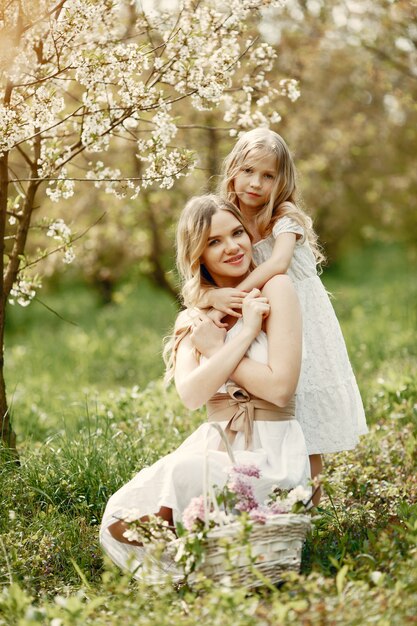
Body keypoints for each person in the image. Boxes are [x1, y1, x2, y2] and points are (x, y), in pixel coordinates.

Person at [99, 194, 310, 581]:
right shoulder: (193, 319)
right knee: (118, 512)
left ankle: (205, 552)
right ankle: (201, 556)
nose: (232, 247)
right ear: (199, 256)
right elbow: (192, 394)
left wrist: (225, 345)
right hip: (218, 446)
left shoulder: (276, 289)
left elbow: (280, 390)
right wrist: (241, 334)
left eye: (236, 234)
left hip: (273, 450)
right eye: (214, 242)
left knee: (185, 473)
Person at [202, 128, 367, 485]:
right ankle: (270, 504)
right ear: (232, 170)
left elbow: (276, 265)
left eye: (267, 175)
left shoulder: (284, 217)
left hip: (303, 323)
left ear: (281, 180)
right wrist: (213, 298)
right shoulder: (229, 218)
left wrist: (234, 297)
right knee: (271, 419)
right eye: (248, 171)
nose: (256, 183)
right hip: (266, 323)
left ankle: (307, 515)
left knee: (306, 424)